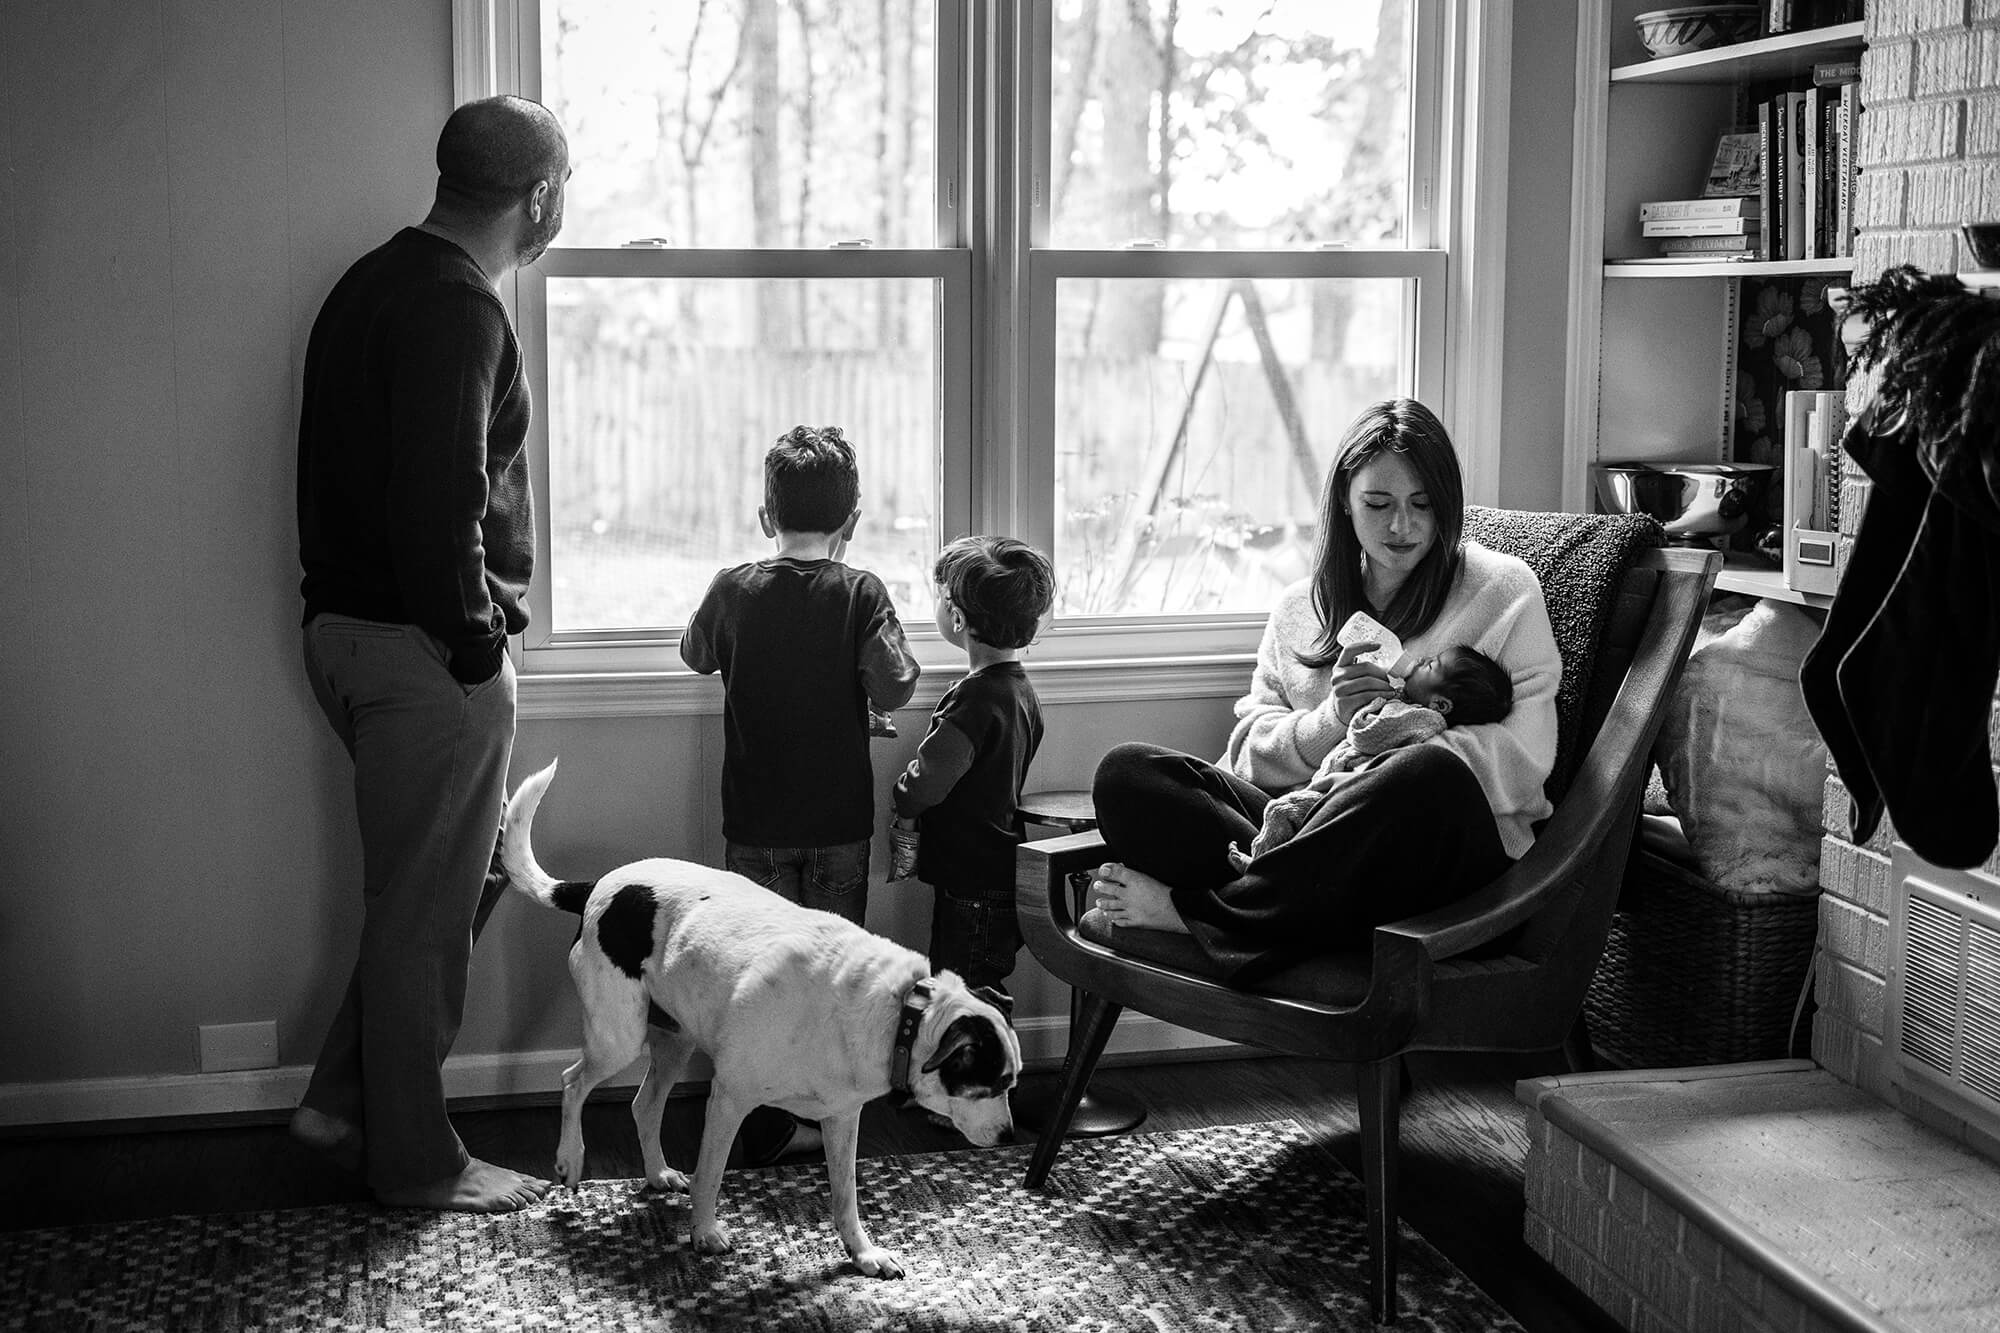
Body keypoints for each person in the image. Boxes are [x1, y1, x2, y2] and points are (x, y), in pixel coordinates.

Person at [291, 95, 570, 1212]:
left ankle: (336, 1099)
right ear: (540, 197)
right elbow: (437, 506)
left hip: (344, 639)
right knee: (430, 923)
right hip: (421, 656)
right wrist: (472, 651)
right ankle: (415, 1162)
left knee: (425, 899)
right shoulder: (461, 309)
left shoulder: (369, 281)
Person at [1088, 398, 1563, 981]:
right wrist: (1335, 722)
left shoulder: (1503, 591)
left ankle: (1203, 916)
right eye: (1378, 503)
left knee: (1424, 774)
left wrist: (1374, 768)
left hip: (1438, 866)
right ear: (1344, 499)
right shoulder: (1298, 609)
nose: (1402, 526)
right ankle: (1288, 912)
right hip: (1300, 837)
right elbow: (1244, 756)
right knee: (1128, 774)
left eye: (1423, 504)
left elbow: (1526, 760)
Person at [679, 423, 920, 1163]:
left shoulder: (735, 588)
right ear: (851, 523)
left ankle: (756, 1115)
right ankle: (825, 1114)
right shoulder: (861, 593)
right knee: (837, 975)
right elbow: (896, 681)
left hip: (756, 824)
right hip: (838, 824)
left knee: (750, 974)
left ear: (765, 516)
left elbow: (695, 652)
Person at [885, 536, 1056, 992]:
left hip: (973, 883)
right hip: (996, 869)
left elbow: (931, 779)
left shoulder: (975, 699)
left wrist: (902, 797)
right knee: (979, 984)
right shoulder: (1020, 691)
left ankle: (987, 1063)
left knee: (965, 993)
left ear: (956, 617)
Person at [1234, 644, 1515, 867]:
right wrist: (1334, 713)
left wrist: (1370, 704)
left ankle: (1258, 871)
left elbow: (1364, 733)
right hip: (1321, 788)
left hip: (1344, 799)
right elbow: (1249, 748)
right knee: (1192, 775)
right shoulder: (1409, 708)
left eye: (1431, 665)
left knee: (1281, 812)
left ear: (1440, 704)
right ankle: (1264, 877)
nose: (1420, 660)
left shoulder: (1418, 719)